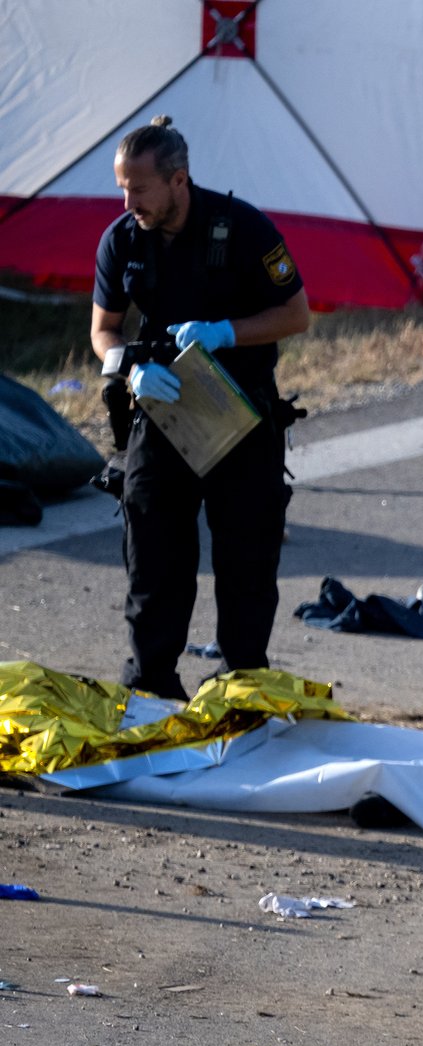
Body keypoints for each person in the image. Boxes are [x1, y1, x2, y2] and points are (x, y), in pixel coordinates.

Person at [89, 116, 311, 701]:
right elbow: (103, 329)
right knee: (154, 558)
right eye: (122, 188)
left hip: (240, 414)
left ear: (178, 180)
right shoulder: (121, 240)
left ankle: (240, 687)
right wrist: (128, 367)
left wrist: (223, 334)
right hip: (161, 412)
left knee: (245, 562)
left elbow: (296, 314)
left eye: (138, 188)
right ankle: (152, 687)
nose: (127, 200)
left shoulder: (241, 228)